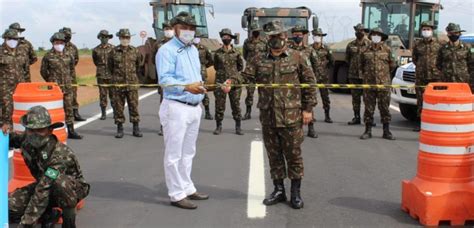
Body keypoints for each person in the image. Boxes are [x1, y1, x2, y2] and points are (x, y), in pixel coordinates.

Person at [225, 20, 317, 209]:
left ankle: (295, 193)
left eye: (279, 35)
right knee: (274, 156)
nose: (276, 39)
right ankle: (279, 190)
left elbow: (310, 83)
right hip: (269, 116)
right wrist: (232, 80)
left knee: (293, 155)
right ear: (268, 38)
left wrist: (308, 109)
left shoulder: (297, 57)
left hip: (291, 117)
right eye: (272, 36)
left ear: (285, 35)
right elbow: (247, 76)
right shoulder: (258, 59)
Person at [157, 12, 210, 210]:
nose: (188, 31)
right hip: (176, 107)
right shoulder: (166, 50)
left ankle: (187, 187)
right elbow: (165, 80)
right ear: (176, 28)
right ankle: (176, 193)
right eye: (184, 27)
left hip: (194, 107)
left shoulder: (193, 50)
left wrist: (203, 88)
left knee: (188, 152)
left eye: (191, 28)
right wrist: (187, 87)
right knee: (174, 154)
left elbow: (197, 77)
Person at [5, 105, 90, 228]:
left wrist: (25, 225)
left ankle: (69, 222)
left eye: (40, 130)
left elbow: (43, 189)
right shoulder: (26, 139)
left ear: (49, 130)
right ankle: (49, 215)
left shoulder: (59, 154)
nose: (35, 134)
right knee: (9, 206)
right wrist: (4, 128)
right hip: (43, 184)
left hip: (69, 189)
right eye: (31, 130)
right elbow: (8, 138)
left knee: (59, 182)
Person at [40, 32, 83, 139]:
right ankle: (53, 133)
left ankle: (71, 131)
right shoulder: (48, 56)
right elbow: (43, 71)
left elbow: (72, 71)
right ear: (53, 43)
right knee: (54, 111)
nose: (59, 44)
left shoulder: (69, 55)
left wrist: (71, 83)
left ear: (64, 43)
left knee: (69, 109)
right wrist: (51, 81)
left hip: (68, 88)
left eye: (61, 42)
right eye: (57, 42)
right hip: (54, 89)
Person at [360, 28, 396, 140]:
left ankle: (386, 131)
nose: (376, 36)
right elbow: (361, 65)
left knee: (384, 108)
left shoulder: (387, 50)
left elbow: (392, 65)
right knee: (368, 108)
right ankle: (367, 130)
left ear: (381, 37)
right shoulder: (365, 50)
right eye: (374, 34)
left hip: (383, 84)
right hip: (369, 84)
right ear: (371, 37)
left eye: (378, 35)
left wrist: (384, 76)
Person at [109, 28, 143, 138]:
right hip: (118, 84)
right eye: (123, 37)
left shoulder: (135, 51)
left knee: (134, 106)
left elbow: (138, 66)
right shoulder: (113, 52)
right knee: (118, 107)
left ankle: (136, 128)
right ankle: (119, 128)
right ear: (119, 38)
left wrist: (133, 78)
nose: (125, 39)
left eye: (127, 37)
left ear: (130, 38)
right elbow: (110, 67)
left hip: (132, 84)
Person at [289, 25, 319, 138]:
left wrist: (313, 79)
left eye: (300, 34)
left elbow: (315, 65)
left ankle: (311, 128)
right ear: (292, 35)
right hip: (292, 83)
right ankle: (294, 129)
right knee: (292, 106)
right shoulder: (288, 50)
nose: (298, 36)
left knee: (308, 104)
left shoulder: (309, 50)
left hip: (306, 82)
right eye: (295, 34)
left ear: (303, 35)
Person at [213, 28, 244, 135]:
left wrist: (233, 77)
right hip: (220, 82)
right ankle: (218, 126)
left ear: (231, 38)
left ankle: (238, 127)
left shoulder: (236, 53)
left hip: (234, 83)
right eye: (224, 37)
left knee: (236, 105)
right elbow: (216, 66)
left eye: (228, 37)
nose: (226, 38)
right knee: (219, 105)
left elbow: (240, 67)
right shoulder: (217, 53)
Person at [412, 21, 443, 131]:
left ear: (432, 30)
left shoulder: (439, 44)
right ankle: (421, 124)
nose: (426, 31)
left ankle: (436, 124)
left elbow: (442, 59)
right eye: (424, 29)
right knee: (421, 100)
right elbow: (415, 59)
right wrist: (421, 68)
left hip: (435, 77)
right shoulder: (417, 44)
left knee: (436, 100)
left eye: (428, 29)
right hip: (421, 76)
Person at [0, 29, 28, 132]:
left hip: (20, 87)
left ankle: (18, 134)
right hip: (4, 88)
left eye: (15, 39)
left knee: (19, 110)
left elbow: (26, 70)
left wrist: (26, 85)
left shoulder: (21, 52)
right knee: (6, 112)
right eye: (9, 39)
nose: (12, 41)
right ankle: (6, 136)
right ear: (5, 39)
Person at [346, 23, 371, 125]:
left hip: (366, 76)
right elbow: (347, 59)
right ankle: (356, 117)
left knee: (368, 98)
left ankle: (368, 119)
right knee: (355, 98)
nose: (359, 32)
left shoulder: (370, 44)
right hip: (354, 75)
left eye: (361, 30)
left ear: (364, 32)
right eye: (357, 30)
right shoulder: (351, 45)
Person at [59, 27, 86, 122]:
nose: (67, 37)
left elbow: (76, 60)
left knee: (73, 94)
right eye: (66, 35)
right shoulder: (58, 46)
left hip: (71, 75)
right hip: (59, 76)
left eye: (69, 35)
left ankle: (75, 113)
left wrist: (69, 69)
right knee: (60, 95)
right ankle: (61, 115)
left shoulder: (73, 47)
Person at [437, 23, 473, 92]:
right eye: (451, 33)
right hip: (447, 83)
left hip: (462, 83)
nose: (453, 35)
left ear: (459, 34)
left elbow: (471, 65)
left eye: (456, 33)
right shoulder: (443, 48)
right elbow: (438, 64)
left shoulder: (467, 47)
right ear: (447, 34)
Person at [242, 23, 267, 120]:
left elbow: (268, 54)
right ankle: (248, 113)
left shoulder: (265, 41)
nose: (256, 32)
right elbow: (245, 54)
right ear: (252, 31)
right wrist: (251, 63)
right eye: (254, 30)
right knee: (249, 93)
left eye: (258, 30)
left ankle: (263, 114)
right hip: (250, 71)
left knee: (263, 93)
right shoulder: (247, 42)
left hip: (262, 70)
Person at [310, 28, 334, 124]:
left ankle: (327, 116)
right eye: (316, 35)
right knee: (311, 97)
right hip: (312, 77)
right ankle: (311, 116)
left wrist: (324, 69)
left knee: (325, 97)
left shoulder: (327, 49)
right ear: (313, 37)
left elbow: (332, 62)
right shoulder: (309, 49)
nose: (317, 37)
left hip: (323, 77)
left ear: (322, 37)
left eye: (319, 36)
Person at [92, 30, 115, 120]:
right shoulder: (96, 50)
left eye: (106, 37)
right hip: (101, 75)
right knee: (102, 95)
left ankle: (115, 112)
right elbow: (95, 61)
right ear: (100, 38)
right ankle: (103, 113)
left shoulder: (113, 48)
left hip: (111, 75)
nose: (105, 39)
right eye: (103, 37)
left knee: (113, 95)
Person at [194, 30, 214, 120]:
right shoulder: (187, 48)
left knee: (204, 91)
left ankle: (207, 112)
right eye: (195, 37)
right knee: (191, 91)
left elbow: (211, 61)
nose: (196, 38)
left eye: (197, 37)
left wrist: (204, 67)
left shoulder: (204, 48)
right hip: (190, 72)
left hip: (201, 72)